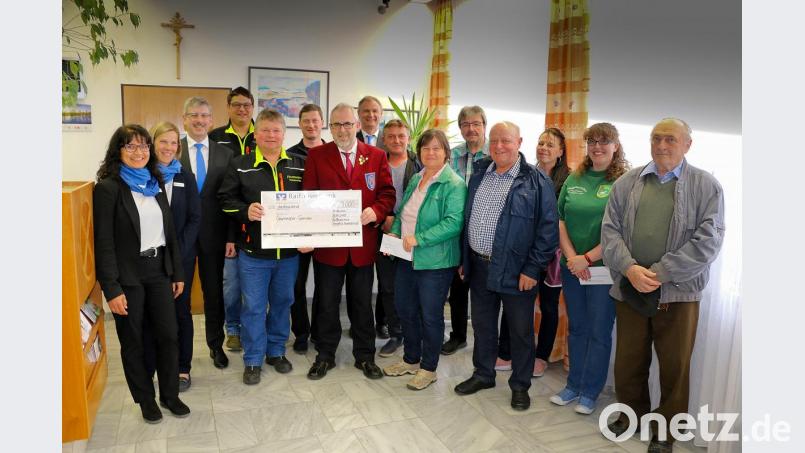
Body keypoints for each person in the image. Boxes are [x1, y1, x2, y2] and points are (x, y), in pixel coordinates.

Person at [601, 118, 725, 453]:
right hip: (630, 289)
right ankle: (630, 415)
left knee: (674, 367)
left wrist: (658, 273)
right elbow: (609, 232)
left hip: (678, 295)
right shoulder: (627, 182)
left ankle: (666, 431)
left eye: (670, 139)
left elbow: (708, 242)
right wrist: (629, 269)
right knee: (628, 361)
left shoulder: (706, 186)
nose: (661, 146)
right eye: (656, 138)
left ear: (687, 144)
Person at [453, 121, 558, 411]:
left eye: (506, 141)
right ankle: (483, 374)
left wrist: (532, 269)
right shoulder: (479, 175)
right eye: (495, 140)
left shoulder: (537, 181)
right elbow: (467, 219)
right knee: (484, 326)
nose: (499, 146)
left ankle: (520, 384)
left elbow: (547, 231)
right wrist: (465, 259)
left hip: (517, 270)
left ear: (519, 142)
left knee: (520, 331)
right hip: (479, 265)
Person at [93, 124, 190, 423]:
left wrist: (176, 271)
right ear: (118, 152)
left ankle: (170, 394)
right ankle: (146, 399)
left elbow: (169, 230)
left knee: (168, 335)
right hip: (128, 276)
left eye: (143, 146)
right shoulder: (109, 188)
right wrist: (111, 288)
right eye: (131, 146)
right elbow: (104, 242)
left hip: (159, 270)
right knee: (134, 339)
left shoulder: (154, 180)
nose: (139, 152)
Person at [302, 103, 395, 381]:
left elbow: (388, 194)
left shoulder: (376, 156)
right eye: (336, 124)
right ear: (329, 127)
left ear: (357, 125)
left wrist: (376, 211)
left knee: (362, 304)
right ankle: (325, 355)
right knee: (327, 303)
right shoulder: (318, 156)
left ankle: (365, 356)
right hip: (329, 249)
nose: (342, 129)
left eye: (347, 124)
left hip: (363, 247)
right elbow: (308, 198)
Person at [218, 108, 306, 385]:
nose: (271, 135)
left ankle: (276, 352)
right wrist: (246, 211)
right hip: (254, 254)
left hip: (289, 255)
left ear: (284, 133)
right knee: (254, 307)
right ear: (256, 134)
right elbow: (225, 200)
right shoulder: (240, 163)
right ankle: (253, 359)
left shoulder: (299, 163)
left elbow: (313, 203)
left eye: (276, 130)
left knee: (282, 303)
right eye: (265, 130)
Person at [548, 123, 629, 415]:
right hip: (573, 269)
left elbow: (620, 230)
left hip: (604, 270)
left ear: (616, 146)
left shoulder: (624, 182)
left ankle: (590, 391)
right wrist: (572, 257)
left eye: (604, 142)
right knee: (577, 328)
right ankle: (573, 385)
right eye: (592, 141)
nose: (597, 147)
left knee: (599, 331)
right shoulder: (575, 178)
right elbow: (560, 220)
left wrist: (587, 258)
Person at [382, 129, 466, 390]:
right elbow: (403, 212)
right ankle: (410, 359)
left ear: (446, 153)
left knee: (430, 316)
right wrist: (394, 235)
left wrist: (419, 238)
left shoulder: (454, 183)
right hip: (406, 257)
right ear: (418, 152)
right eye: (426, 148)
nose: (430, 153)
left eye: (436, 148)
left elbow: (454, 223)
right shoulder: (417, 177)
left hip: (435, 262)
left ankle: (428, 368)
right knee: (405, 310)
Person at [496, 127, 570, 377]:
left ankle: (541, 356)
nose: (544, 148)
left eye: (550, 144)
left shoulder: (568, 180)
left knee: (548, 306)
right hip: (520, 254)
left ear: (561, 151)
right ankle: (505, 352)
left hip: (552, 257)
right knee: (513, 302)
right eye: (541, 143)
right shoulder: (525, 174)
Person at [142, 122, 201, 393]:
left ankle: (182, 368)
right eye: (163, 142)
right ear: (153, 144)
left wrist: (180, 253)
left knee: (180, 313)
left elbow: (194, 218)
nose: (168, 148)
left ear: (179, 147)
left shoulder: (185, 177)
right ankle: (153, 366)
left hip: (181, 259)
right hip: (151, 259)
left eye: (173, 143)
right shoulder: (141, 175)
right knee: (153, 314)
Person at [179, 97, 233, 370]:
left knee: (214, 294)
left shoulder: (225, 154)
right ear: (185, 119)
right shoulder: (171, 150)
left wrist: (232, 237)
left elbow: (232, 197)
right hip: (180, 238)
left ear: (212, 121)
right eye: (193, 115)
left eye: (204, 115)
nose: (199, 120)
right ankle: (181, 353)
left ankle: (215, 345)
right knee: (181, 293)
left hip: (215, 236)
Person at [209, 87, 257, 353]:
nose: (242, 109)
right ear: (228, 107)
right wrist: (229, 235)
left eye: (246, 105)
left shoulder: (261, 136)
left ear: (252, 108)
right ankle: (233, 329)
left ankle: (251, 329)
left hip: (254, 225)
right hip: (224, 223)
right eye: (236, 105)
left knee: (253, 286)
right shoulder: (215, 137)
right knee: (230, 285)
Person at [442, 105, 490, 355]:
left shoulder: (497, 153)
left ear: (484, 125)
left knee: (483, 293)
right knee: (457, 288)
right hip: (458, 230)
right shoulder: (452, 155)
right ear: (460, 128)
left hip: (486, 232)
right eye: (465, 124)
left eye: (476, 124)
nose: (471, 129)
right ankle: (458, 336)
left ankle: (485, 342)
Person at [374, 119, 421, 357]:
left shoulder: (419, 163)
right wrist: (384, 218)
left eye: (401, 136)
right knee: (388, 286)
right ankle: (396, 334)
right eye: (390, 136)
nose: (396, 140)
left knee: (411, 286)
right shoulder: (376, 161)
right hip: (382, 230)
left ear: (408, 138)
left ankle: (413, 331)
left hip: (412, 234)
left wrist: (400, 221)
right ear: (384, 139)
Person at [286, 103, 327, 354]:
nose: (311, 125)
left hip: (324, 231)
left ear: (322, 123)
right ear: (299, 124)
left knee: (326, 286)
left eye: (315, 120)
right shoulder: (288, 155)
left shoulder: (333, 153)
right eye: (306, 121)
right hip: (298, 231)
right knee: (296, 286)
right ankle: (301, 333)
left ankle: (321, 333)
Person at [355, 95, 390, 339]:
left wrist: (382, 214)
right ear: (358, 115)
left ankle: (383, 323)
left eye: (375, 111)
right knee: (362, 284)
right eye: (365, 111)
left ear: (381, 114)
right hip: (358, 227)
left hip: (386, 224)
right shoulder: (347, 139)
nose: (370, 115)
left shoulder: (389, 142)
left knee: (387, 280)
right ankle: (360, 324)